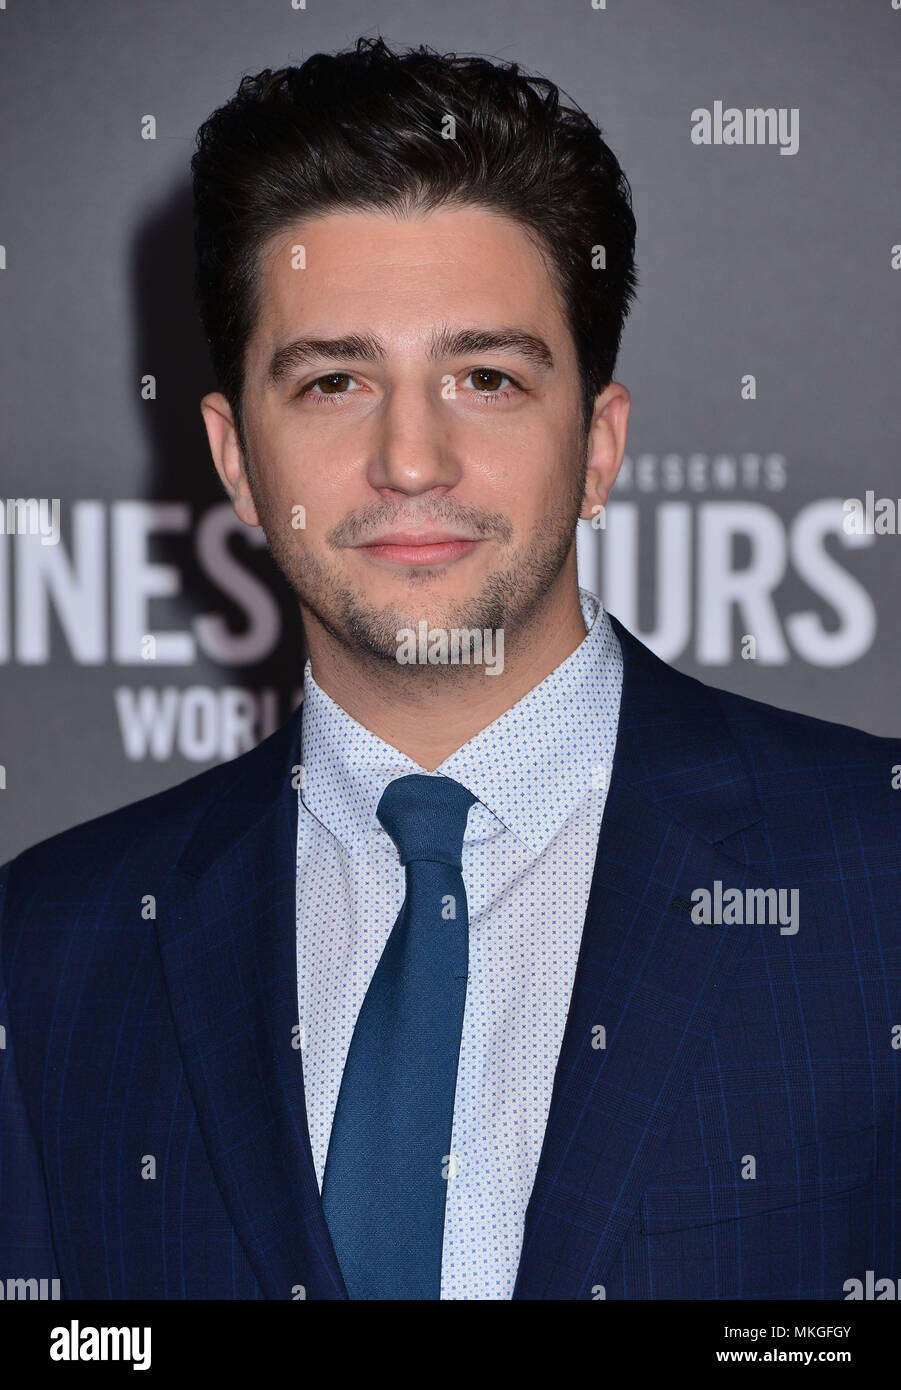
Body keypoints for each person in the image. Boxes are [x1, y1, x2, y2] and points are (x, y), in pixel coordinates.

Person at [1, 36, 898, 1302]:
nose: (410, 459)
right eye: (332, 381)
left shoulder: (878, 877)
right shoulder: (49, 949)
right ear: (236, 460)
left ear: (597, 444)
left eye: (484, 377)